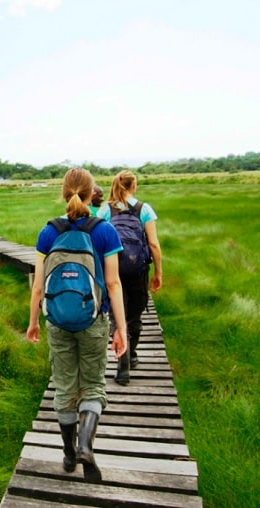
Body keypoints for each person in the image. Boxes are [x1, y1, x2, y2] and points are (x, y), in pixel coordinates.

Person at [27, 167, 127, 483]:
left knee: (64, 386)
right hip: (94, 320)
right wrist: (120, 328)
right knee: (94, 384)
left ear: (63, 192)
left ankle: (69, 454)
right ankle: (86, 444)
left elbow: (38, 287)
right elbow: (113, 284)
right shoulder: (105, 230)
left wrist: (33, 322)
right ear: (90, 192)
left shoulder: (49, 232)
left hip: (56, 320)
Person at [96, 170, 162, 385]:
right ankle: (131, 354)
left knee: (117, 315)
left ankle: (122, 365)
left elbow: (97, 242)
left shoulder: (106, 210)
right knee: (134, 313)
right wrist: (158, 272)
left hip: (112, 270)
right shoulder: (144, 209)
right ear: (133, 186)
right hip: (138, 270)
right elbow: (153, 244)